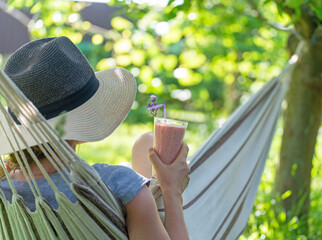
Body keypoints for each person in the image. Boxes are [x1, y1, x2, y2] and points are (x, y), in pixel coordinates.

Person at [0, 36, 190, 240]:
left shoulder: (4, 191)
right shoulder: (117, 184)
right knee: (147, 146)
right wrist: (172, 190)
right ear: (84, 122)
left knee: (146, 141)